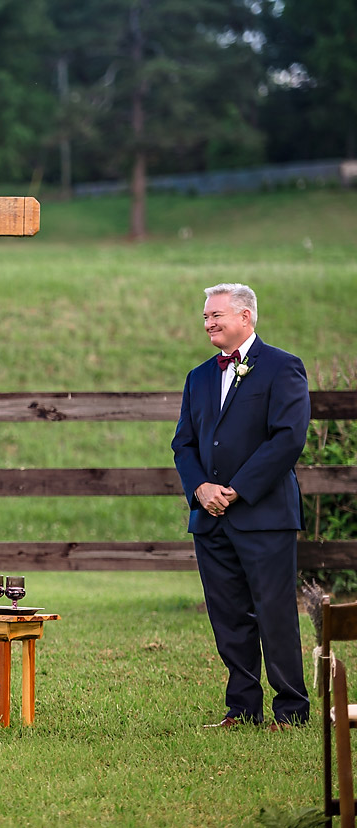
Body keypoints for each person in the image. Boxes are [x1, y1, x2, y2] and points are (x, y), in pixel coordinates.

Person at [172, 282, 311, 730]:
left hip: (264, 516)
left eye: (217, 315)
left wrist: (236, 490)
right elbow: (184, 444)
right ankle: (243, 708)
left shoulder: (282, 367)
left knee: (274, 613)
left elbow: (288, 437)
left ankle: (291, 711)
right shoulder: (199, 377)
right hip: (210, 520)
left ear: (245, 317)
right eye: (206, 317)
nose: (209, 323)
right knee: (228, 616)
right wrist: (201, 490)